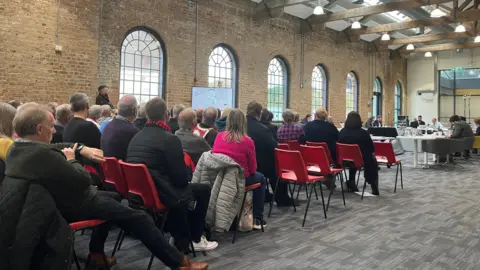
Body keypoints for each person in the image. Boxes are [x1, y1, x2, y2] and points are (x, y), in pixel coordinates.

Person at [0, 104, 207, 270]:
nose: (54, 131)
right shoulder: (41, 156)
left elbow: (58, 146)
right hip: (76, 202)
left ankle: (96, 254)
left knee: (116, 198)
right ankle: (180, 263)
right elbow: (84, 180)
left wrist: (80, 148)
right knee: (140, 217)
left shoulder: (18, 149)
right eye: (51, 126)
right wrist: (73, 160)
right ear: (39, 129)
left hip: (61, 201)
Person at [127, 97, 217, 253]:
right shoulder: (169, 139)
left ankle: (180, 234)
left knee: (181, 190)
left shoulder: (136, 137)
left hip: (139, 194)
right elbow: (181, 179)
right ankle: (195, 238)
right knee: (203, 190)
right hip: (160, 194)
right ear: (166, 115)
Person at [212, 109, 267, 229]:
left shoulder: (219, 136)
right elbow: (253, 169)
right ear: (244, 122)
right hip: (240, 179)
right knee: (261, 179)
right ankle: (257, 219)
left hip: (220, 179)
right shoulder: (247, 141)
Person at [246, 101, 292, 206]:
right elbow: (274, 147)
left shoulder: (239, 125)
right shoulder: (262, 129)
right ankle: (282, 198)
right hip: (257, 165)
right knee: (277, 167)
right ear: (259, 113)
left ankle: (266, 194)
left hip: (241, 163)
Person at [339, 111, 379, 195]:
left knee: (353, 158)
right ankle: (373, 185)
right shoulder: (363, 133)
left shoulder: (342, 132)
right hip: (360, 161)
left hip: (344, 161)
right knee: (372, 160)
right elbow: (372, 148)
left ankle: (351, 181)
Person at [101, 95, 139, 160]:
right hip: (122, 168)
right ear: (134, 111)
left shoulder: (107, 126)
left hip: (106, 167)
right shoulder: (133, 131)